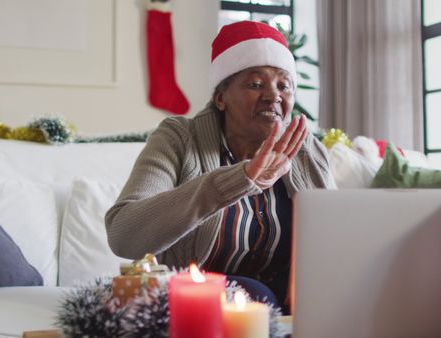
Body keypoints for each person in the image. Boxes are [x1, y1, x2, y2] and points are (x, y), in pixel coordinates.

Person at [105, 20, 336, 313]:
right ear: (221, 98)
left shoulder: (307, 150)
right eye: (255, 84)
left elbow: (335, 243)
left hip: (295, 308)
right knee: (256, 292)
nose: (273, 95)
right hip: (199, 305)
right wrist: (238, 179)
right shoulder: (178, 138)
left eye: (284, 85)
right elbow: (124, 236)